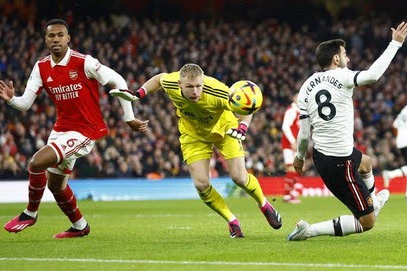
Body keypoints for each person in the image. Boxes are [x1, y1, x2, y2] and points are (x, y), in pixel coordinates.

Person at [0, 19, 148, 238]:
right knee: (56, 186)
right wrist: (12, 99)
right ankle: (80, 226)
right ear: (45, 39)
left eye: (60, 35)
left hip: (85, 130)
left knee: (36, 162)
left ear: (68, 38)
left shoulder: (84, 62)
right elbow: (26, 104)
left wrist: (129, 116)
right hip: (61, 130)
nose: (56, 39)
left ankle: (30, 213)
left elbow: (118, 79)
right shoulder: (41, 67)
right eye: (51, 36)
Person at [111, 63, 282, 238]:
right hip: (193, 135)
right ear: (179, 84)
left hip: (225, 129)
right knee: (201, 184)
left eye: (199, 86)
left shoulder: (218, 91)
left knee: (239, 178)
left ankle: (264, 204)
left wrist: (243, 126)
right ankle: (232, 221)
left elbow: (247, 106)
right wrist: (138, 94)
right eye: (190, 87)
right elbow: (158, 79)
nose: (195, 91)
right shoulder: (171, 82)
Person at [287, 21, 407, 241]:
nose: (348, 59)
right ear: (336, 59)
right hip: (339, 163)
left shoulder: (307, 85)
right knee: (367, 222)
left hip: (322, 156)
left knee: (366, 162)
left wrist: (299, 157)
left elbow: (305, 134)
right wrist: (395, 45)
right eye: (345, 54)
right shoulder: (343, 76)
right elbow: (373, 76)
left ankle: (374, 200)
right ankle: (308, 230)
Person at [281, 92, 302, 203]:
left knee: (297, 169)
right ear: (294, 98)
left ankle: (291, 193)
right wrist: (293, 141)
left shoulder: (299, 112)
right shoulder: (291, 110)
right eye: (298, 97)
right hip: (289, 144)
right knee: (292, 168)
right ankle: (287, 196)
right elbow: (285, 126)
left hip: (295, 145)